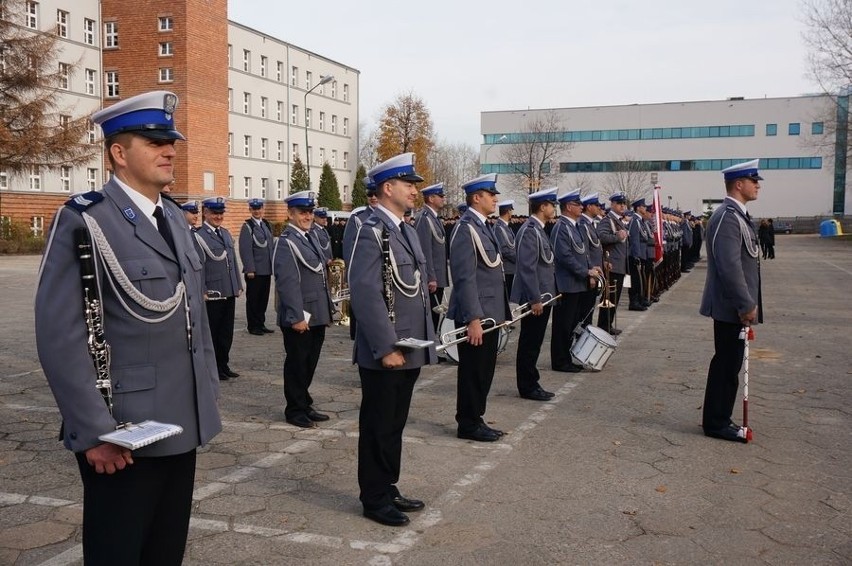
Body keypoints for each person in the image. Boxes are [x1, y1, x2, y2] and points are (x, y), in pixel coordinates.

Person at [34, 90, 222, 565]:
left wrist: (206, 403)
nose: (169, 150)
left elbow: (191, 324)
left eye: (171, 141)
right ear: (118, 153)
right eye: (153, 140)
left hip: (181, 417)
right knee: (118, 551)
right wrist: (94, 432)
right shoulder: (85, 219)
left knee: (165, 550)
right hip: (123, 430)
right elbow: (61, 337)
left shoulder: (175, 218)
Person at [348, 152, 436, 527]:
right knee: (379, 424)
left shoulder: (405, 229)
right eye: (408, 184)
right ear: (388, 188)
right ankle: (374, 497)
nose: (414, 191)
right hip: (387, 350)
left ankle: (388, 485)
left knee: (395, 423)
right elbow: (364, 291)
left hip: (410, 345)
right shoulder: (370, 230)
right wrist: (385, 347)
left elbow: (412, 289)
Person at [700, 159, 763, 443]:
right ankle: (716, 422)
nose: (757, 185)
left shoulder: (738, 215)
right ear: (739, 184)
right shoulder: (727, 216)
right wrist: (745, 304)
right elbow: (729, 266)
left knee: (729, 364)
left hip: (733, 307)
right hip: (730, 308)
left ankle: (720, 417)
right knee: (726, 364)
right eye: (753, 180)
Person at [448, 173, 507, 442]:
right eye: (490, 194)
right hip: (478, 314)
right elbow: (464, 277)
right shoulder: (465, 228)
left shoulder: (483, 226)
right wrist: (473, 318)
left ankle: (477, 417)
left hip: (490, 312)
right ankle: (468, 423)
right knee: (473, 371)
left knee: (484, 370)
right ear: (476, 197)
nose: (495, 198)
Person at [273, 191, 334, 428]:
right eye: (302, 212)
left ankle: (304, 402)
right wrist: (296, 317)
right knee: (297, 363)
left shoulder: (310, 238)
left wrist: (327, 311)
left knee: (310, 362)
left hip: (316, 313)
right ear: (291, 213)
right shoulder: (287, 242)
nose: (307, 216)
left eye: (309, 212)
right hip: (300, 316)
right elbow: (287, 283)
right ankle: (294, 409)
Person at [511, 187, 558, 401]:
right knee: (530, 342)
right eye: (552, 205)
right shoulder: (530, 230)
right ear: (542, 207)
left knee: (535, 341)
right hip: (536, 298)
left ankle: (532, 381)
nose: (554, 208)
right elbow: (528, 268)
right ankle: (528, 385)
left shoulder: (538, 229)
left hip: (543, 295)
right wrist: (535, 298)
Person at [195, 197, 243, 380]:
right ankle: (213, 367)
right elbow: (198, 266)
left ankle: (223, 364)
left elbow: (232, 261)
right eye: (215, 213)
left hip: (228, 290)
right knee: (213, 332)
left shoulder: (225, 233)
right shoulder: (199, 236)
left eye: (221, 213)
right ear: (205, 213)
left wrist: (237, 284)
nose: (218, 216)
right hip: (213, 292)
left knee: (226, 332)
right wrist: (202, 289)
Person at [550, 189, 596, 372]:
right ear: (569, 207)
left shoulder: (574, 226)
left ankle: (567, 357)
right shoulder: (562, 227)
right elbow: (565, 257)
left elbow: (583, 253)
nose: (582, 207)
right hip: (567, 284)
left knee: (571, 324)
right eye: (578, 204)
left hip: (576, 283)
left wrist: (591, 269)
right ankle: (560, 361)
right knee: (563, 324)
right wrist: (586, 272)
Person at [414, 182, 449, 332]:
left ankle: (433, 347)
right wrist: (430, 276)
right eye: (440, 196)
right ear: (431, 198)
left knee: (435, 315)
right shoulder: (424, 218)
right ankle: (430, 349)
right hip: (432, 278)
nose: (443, 199)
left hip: (438, 275)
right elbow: (425, 250)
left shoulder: (434, 218)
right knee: (430, 316)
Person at [238, 198, 274, 336]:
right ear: (250, 210)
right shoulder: (248, 226)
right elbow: (245, 249)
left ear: (262, 209)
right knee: (253, 299)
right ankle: (253, 326)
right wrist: (249, 268)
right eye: (254, 209)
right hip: (255, 270)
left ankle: (261, 323)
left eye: (259, 209)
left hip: (266, 269)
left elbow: (270, 246)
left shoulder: (266, 224)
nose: (257, 211)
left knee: (263, 299)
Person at [597, 193, 629, 335]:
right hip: (612, 265)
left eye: (624, 203)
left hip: (619, 264)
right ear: (612, 204)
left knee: (614, 298)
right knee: (609, 297)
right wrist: (617, 236)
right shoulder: (607, 220)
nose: (622, 206)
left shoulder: (618, 221)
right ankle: (604, 325)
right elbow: (601, 236)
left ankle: (608, 324)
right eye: (619, 203)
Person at [627, 198, 650, 311]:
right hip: (636, 255)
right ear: (638, 208)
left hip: (641, 254)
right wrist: (636, 256)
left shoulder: (640, 221)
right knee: (635, 280)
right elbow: (634, 239)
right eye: (643, 206)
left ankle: (640, 299)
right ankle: (634, 302)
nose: (645, 208)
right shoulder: (635, 221)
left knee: (640, 279)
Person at [493, 199, 517, 298]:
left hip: (512, 268)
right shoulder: (499, 227)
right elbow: (504, 250)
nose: (512, 213)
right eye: (511, 210)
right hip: (507, 269)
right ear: (508, 211)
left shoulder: (506, 227)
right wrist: (518, 258)